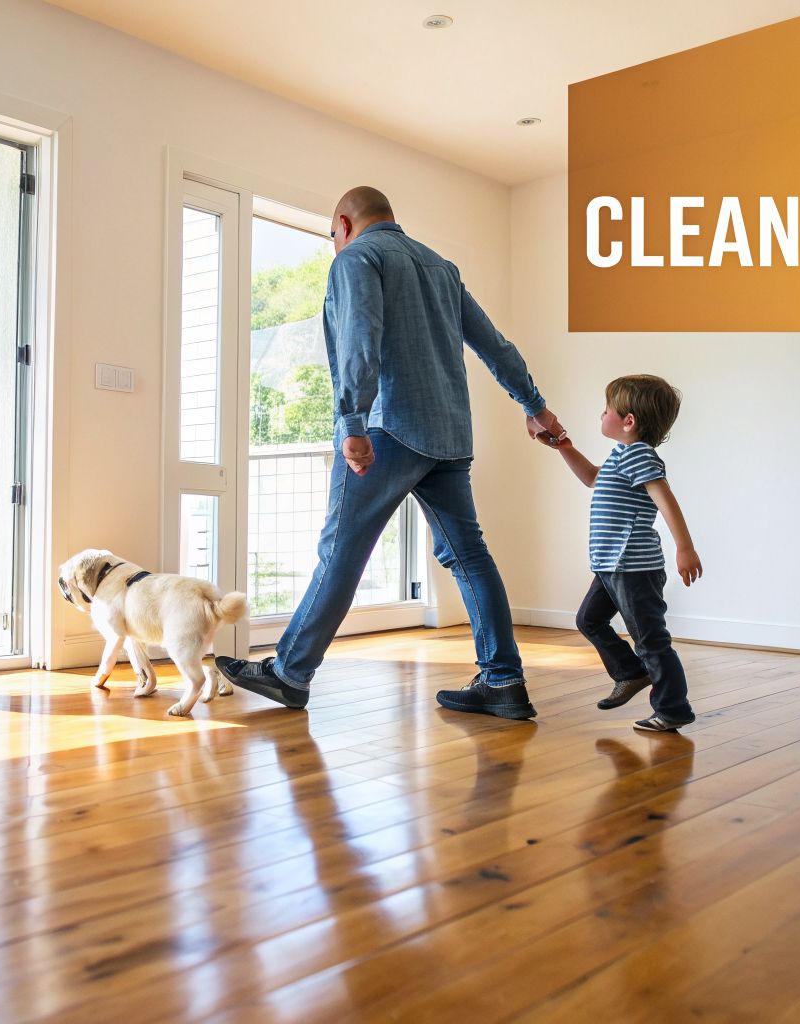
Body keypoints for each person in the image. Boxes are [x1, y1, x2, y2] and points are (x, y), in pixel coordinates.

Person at [216, 186, 563, 720]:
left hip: (387, 431)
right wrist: (534, 405)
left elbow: (360, 337)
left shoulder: (359, 257)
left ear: (343, 225)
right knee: (469, 556)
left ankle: (290, 672)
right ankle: (503, 680)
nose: (335, 245)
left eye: (333, 236)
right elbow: (493, 343)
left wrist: (352, 420)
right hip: (449, 435)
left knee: (342, 551)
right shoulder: (441, 267)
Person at [548, 374, 701, 732]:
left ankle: (673, 708)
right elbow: (592, 478)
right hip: (609, 566)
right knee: (589, 620)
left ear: (628, 421)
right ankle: (630, 673)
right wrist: (563, 446)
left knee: (651, 640)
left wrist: (685, 547)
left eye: (607, 410)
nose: (601, 415)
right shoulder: (622, 455)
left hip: (632, 567)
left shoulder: (639, 455)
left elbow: (666, 500)